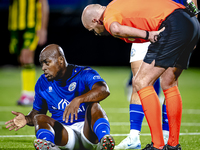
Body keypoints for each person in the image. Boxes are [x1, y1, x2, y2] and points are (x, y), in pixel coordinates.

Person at [81, 0, 200, 150]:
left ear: (95, 20)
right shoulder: (118, 4)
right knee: (169, 83)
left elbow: (116, 28)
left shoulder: (109, 14)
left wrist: (148, 34)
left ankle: (157, 145)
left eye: (92, 30)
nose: (96, 33)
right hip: (190, 20)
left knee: (141, 82)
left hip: (172, 23)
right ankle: (173, 145)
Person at [5, 44, 115, 150]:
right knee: (39, 118)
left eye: (46, 63)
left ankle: (104, 141)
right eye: (42, 64)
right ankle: (48, 146)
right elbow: (37, 113)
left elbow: (103, 90)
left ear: (60, 60)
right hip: (65, 134)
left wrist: (78, 99)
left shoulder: (83, 73)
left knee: (95, 106)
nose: (43, 68)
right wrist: (26, 118)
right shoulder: (42, 82)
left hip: (88, 131)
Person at [120, 0, 199, 149]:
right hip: (148, 24)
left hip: (170, 26)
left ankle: (164, 138)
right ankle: (134, 137)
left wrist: (192, 20)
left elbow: (191, 1)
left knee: (163, 82)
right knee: (143, 80)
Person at [8, 0, 49, 106]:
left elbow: (43, 4)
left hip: (31, 25)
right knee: (22, 59)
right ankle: (26, 92)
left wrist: (43, 29)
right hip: (15, 25)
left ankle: (30, 94)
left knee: (27, 56)